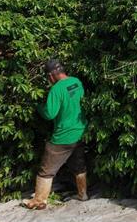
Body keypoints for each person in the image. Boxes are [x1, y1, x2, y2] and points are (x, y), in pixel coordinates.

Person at [23, 58, 88, 210]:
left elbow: (50, 114)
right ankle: (82, 194)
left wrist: (38, 107)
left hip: (62, 136)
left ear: (51, 76)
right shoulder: (76, 82)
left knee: (46, 170)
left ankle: (39, 201)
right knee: (79, 165)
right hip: (79, 131)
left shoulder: (56, 89)